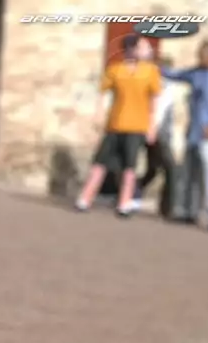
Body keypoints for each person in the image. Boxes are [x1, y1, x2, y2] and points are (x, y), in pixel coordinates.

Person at [75, 34, 163, 217]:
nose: (148, 50)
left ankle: (124, 203)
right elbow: (103, 94)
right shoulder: (115, 70)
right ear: (132, 49)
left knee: (130, 167)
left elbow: (154, 101)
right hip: (114, 124)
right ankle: (85, 198)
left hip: (137, 126)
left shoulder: (151, 72)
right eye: (143, 47)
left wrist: (152, 126)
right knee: (99, 163)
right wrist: (98, 115)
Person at [164, 39, 208, 228]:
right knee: (189, 171)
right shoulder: (197, 73)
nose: (200, 59)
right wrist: (158, 68)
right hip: (194, 131)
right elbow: (176, 75)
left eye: (203, 55)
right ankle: (188, 209)